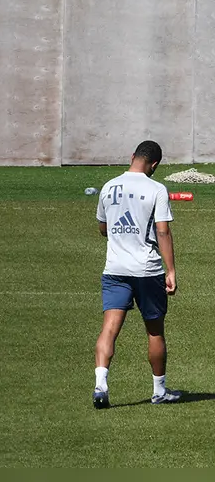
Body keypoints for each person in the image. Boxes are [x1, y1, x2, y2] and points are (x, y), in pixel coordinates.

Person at [92, 140, 180, 409]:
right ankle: (159, 391)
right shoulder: (156, 189)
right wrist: (171, 270)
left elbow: (103, 228)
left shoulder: (109, 186)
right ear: (155, 164)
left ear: (132, 156)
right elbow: (162, 231)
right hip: (147, 270)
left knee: (109, 328)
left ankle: (100, 385)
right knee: (154, 331)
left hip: (114, 269)